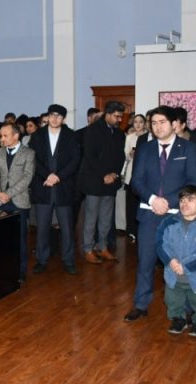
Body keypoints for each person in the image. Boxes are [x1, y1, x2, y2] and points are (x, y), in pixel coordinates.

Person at [124, 106, 196, 322]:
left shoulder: (188, 148)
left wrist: (168, 201)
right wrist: (152, 200)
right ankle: (140, 304)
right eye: (154, 123)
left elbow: (194, 181)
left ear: (174, 124)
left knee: (179, 262)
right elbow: (136, 181)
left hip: (177, 215)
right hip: (149, 214)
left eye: (162, 122)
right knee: (145, 261)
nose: (157, 127)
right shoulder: (145, 148)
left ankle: (184, 308)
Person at [156, 185, 196, 337]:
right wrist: (170, 261)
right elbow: (161, 244)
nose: (185, 203)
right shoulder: (168, 223)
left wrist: (186, 266)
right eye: (182, 200)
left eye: (190, 200)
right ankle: (178, 319)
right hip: (173, 274)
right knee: (173, 300)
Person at [29, 104, 80, 275]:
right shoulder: (37, 136)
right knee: (42, 227)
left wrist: (58, 176)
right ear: (48, 116)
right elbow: (33, 159)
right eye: (52, 115)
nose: (55, 118)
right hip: (43, 187)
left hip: (63, 187)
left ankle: (68, 260)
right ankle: (41, 260)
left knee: (66, 228)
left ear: (63, 119)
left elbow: (75, 160)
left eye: (59, 116)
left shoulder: (71, 136)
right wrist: (47, 175)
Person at [79, 101, 126, 264]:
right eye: (117, 116)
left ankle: (103, 247)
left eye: (121, 117)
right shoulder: (92, 130)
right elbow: (89, 156)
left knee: (106, 218)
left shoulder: (119, 134)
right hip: (94, 181)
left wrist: (114, 174)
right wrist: (103, 175)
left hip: (111, 182)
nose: (119, 120)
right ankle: (88, 249)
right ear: (108, 114)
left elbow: (121, 157)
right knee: (91, 217)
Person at [0, 122, 35, 281]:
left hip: (19, 201)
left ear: (16, 136)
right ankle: (2, 269)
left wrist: (8, 194)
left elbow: (27, 177)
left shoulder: (29, 153)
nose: (2, 139)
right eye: (0, 136)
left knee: (20, 239)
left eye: (5, 135)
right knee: (0, 238)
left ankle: (20, 272)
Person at [120, 113, 148, 240]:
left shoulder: (148, 137)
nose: (138, 124)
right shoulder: (129, 137)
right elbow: (125, 156)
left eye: (141, 122)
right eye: (135, 122)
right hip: (130, 174)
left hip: (144, 176)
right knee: (130, 205)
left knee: (140, 204)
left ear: (145, 124)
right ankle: (130, 230)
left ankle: (141, 230)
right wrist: (130, 154)